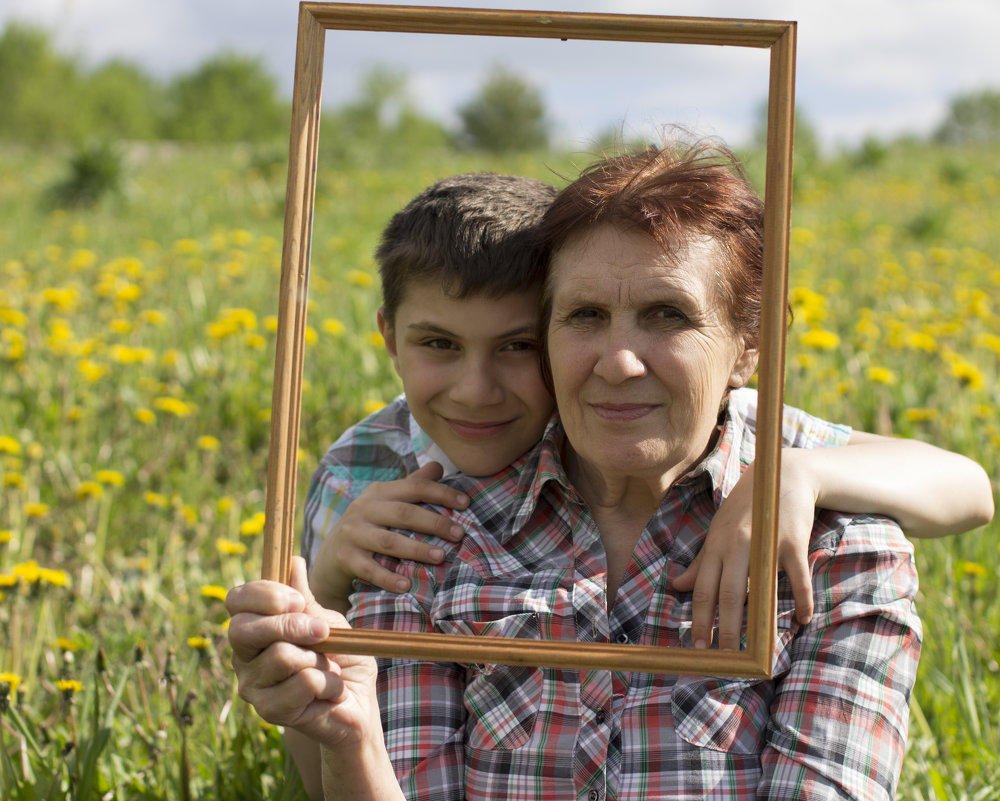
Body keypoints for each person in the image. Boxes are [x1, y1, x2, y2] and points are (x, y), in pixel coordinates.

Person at [229, 140, 993, 800]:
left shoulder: (831, 525)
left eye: (668, 314)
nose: (619, 362)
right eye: (585, 316)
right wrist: (330, 621)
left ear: (751, 344)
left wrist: (794, 476)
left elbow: (967, 486)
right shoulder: (408, 510)